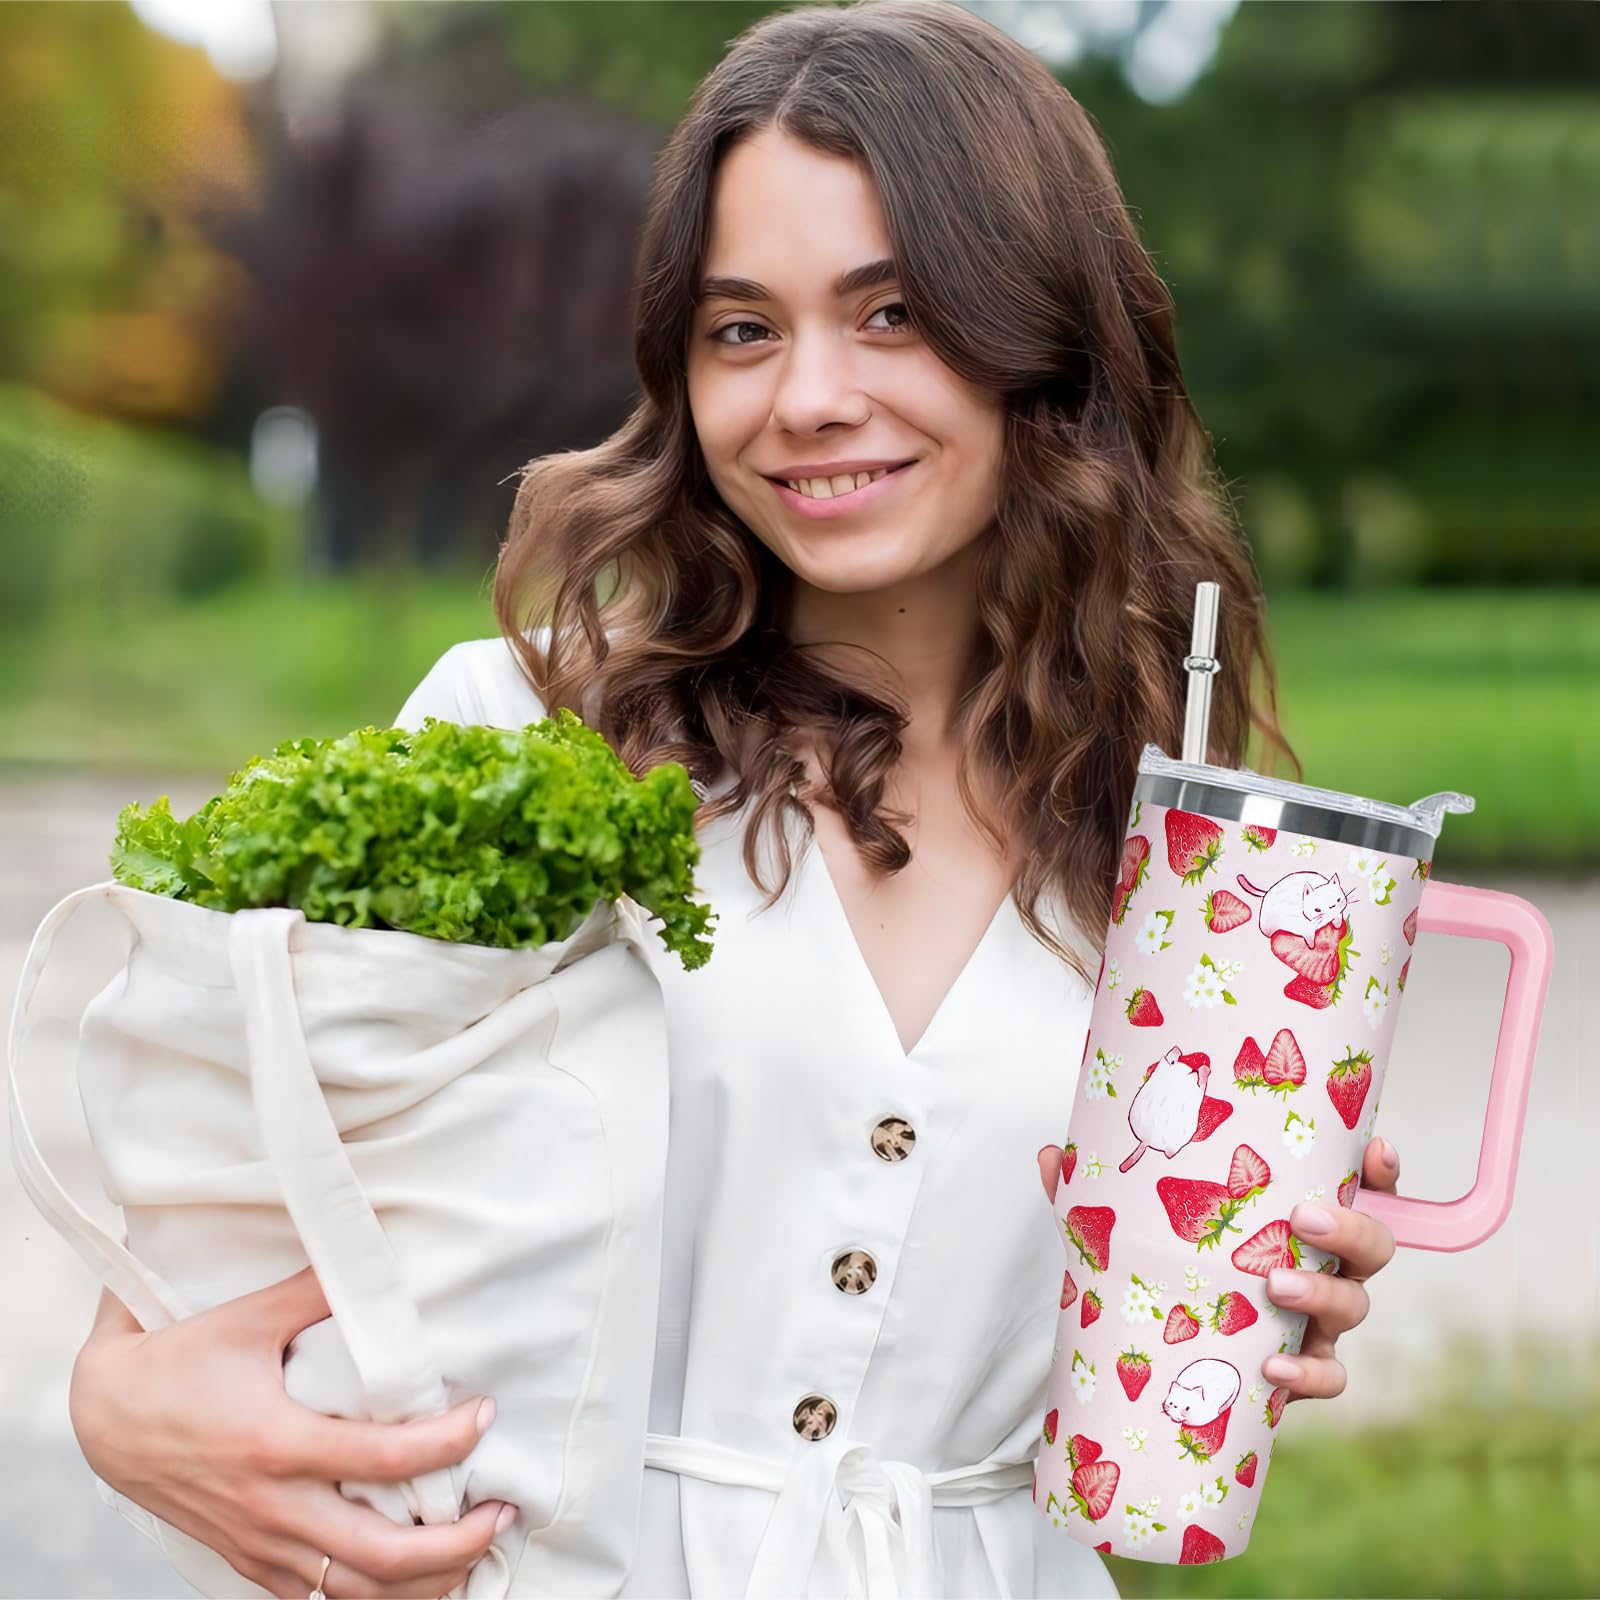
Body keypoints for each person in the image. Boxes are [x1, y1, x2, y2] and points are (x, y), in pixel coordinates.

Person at [65, 2, 1403, 1596]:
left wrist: (1257, 1292)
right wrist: (119, 1395)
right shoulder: (528, 736)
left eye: (894, 313)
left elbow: (1139, 1335)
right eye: (743, 329)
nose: (807, 398)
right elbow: (222, 1206)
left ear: (1044, 335)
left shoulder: (1185, 856)